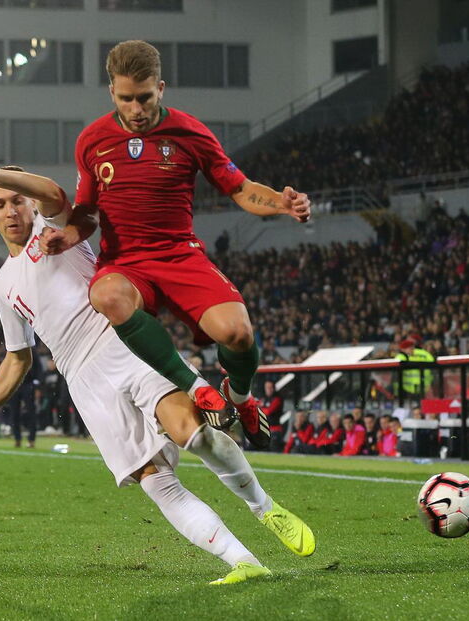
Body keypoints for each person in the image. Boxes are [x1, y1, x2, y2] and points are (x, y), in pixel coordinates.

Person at [0, 164, 315, 585]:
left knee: (189, 430)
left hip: (121, 342)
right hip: (82, 378)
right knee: (155, 481)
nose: (11, 210)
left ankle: (264, 508)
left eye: (15, 200)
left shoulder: (54, 230)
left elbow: (52, 191)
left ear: (29, 204)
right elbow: (17, 359)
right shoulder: (1, 284)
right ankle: (243, 562)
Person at [38, 40, 311, 450]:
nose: (136, 109)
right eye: (126, 98)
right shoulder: (91, 141)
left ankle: (241, 398)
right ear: (112, 92)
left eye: (144, 97)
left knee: (236, 333)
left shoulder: (190, 132)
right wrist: (69, 235)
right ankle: (195, 386)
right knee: (105, 294)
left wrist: (281, 203)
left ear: (160, 89)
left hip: (180, 254)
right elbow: (88, 210)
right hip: (126, 262)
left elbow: (238, 187)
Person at [259, 380, 284, 452]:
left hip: (275, 430)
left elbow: (269, 411)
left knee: (273, 449)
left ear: (273, 388)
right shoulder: (263, 398)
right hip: (264, 429)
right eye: (267, 387)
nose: (268, 390)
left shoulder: (277, 399)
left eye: (270, 387)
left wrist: (260, 408)